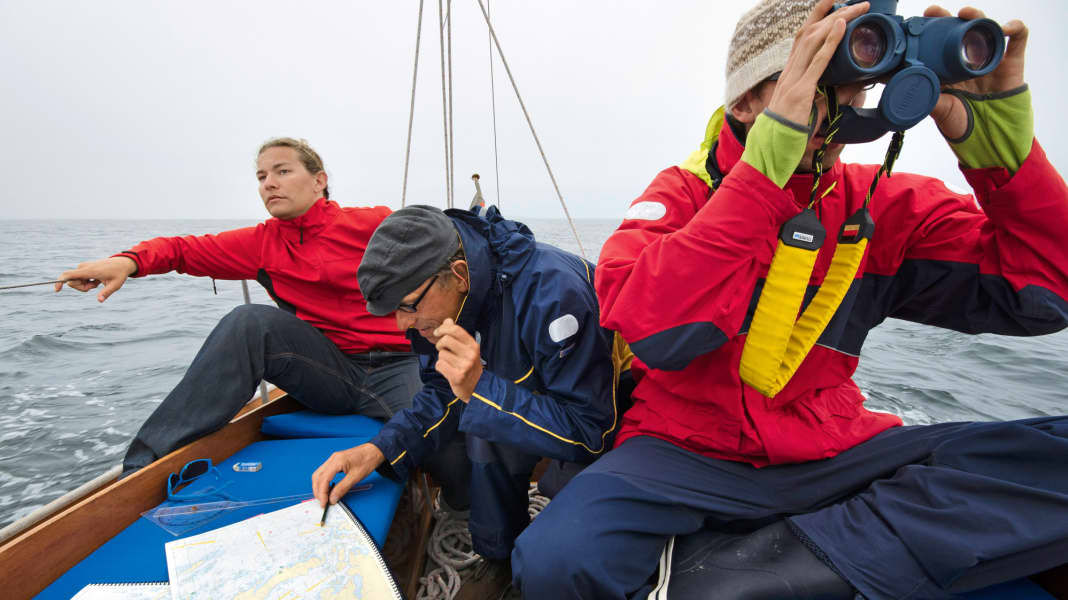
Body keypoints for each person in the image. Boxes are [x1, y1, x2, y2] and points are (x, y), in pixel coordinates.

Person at [512, 1, 1068, 598]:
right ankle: (816, 558)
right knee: (557, 559)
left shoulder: (874, 202)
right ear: (745, 102)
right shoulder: (681, 195)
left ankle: (769, 564)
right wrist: (762, 179)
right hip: (686, 449)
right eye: (810, 80)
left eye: (850, 88)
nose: (838, 106)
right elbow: (654, 331)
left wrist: (1004, 158)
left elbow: (1041, 290)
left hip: (832, 443)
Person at [311, 205, 625, 600]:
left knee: (563, 555)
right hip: (534, 405)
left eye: (407, 306)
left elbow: (591, 431)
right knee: (482, 418)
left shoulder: (556, 291)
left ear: (459, 275)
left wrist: (481, 387)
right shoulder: (437, 310)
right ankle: (499, 557)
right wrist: (378, 450)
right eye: (393, 311)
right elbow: (443, 393)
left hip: (609, 414)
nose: (401, 325)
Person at [56, 138, 419, 474]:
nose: (269, 183)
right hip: (329, 371)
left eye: (283, 171)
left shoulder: (374, 224)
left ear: (318, 181)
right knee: (250, 321)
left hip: (401, 364)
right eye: (261, 176)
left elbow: (446, 255)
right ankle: (146, 470)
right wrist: (129, 261)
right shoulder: (263, 243)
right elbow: (182, 250)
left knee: (439, 437)